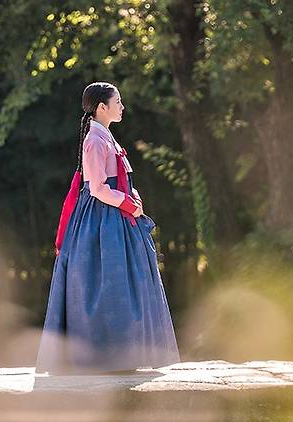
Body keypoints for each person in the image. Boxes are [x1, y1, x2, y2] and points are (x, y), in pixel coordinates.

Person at [36, 82, 180, 373]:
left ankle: (126, 353)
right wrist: (127, 204)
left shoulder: (106, 137)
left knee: (127, 281)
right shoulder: (95, 141)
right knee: (108, 281)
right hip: (101, 219)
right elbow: (99, 188)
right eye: (118, 102)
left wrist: (133, 199)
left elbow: (118, 182)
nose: (122, 107)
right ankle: (105, 355)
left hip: (115, 215)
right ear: (102, 107)